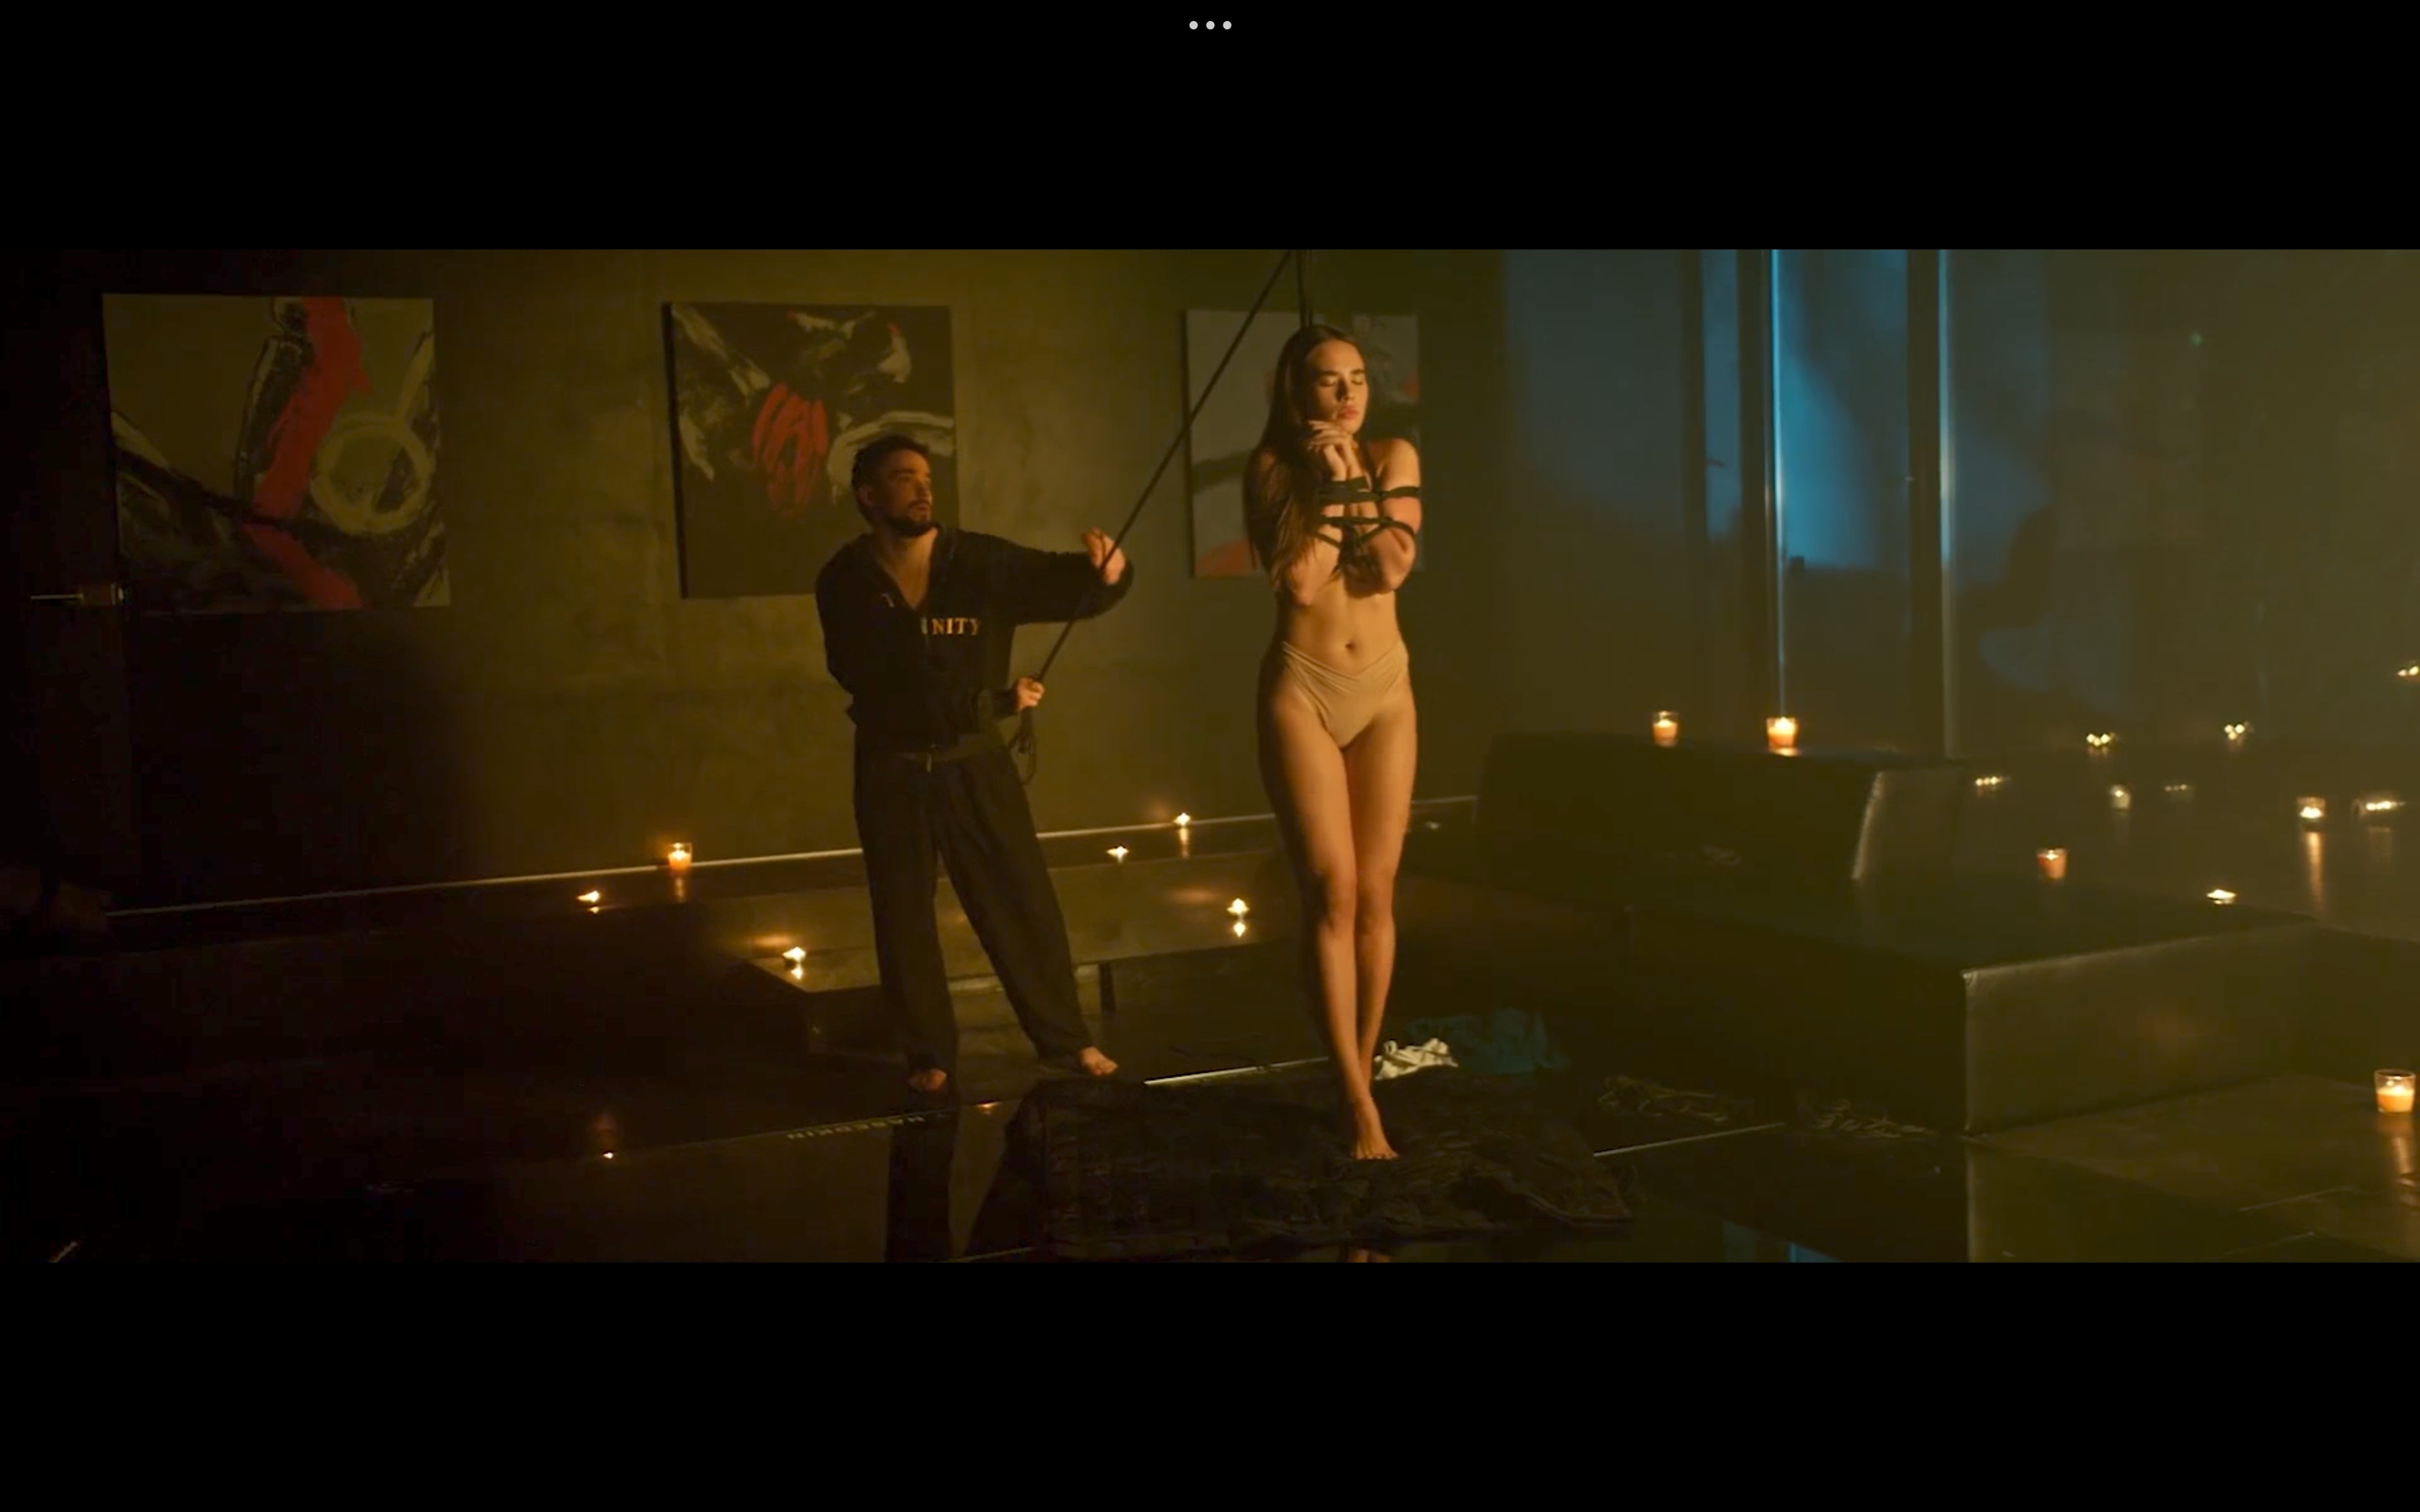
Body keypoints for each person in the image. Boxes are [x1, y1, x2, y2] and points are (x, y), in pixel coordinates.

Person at [815, 435, 1131, 1096]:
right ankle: (928, 1053)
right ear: (869, 496)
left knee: (1022, 904)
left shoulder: (978, 561)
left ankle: (1066, 1040)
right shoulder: (844, 581)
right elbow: (867, 677)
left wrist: (1108, 576)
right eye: (904, 477)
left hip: (974, 765)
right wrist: (988, 703)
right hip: (891, 767)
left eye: (926, 477)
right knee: (902, 917)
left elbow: (1062, 582)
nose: (923, 488)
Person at [1244, 323, 1423, 1160]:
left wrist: (1354, 478)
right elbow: (1304, 581)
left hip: (1385, 690)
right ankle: (1354, 1101)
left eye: (1357, 378)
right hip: (1304, 691)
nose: (1348, 394)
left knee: (1377, 894)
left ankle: (1363, 1068)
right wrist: (1329, 487)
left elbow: (1389, 568)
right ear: (1298, 391)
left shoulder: (1393, 456)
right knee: (1331, 891)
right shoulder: (1272, 470)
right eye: (1328, 381)